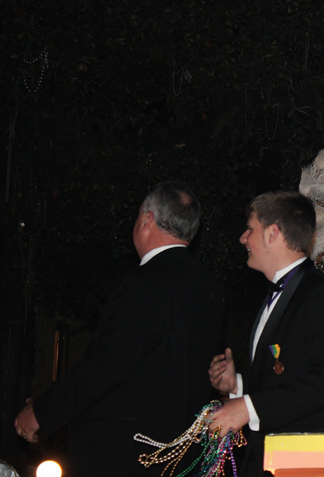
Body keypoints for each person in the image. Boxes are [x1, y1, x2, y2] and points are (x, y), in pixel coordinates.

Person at [14, 181, 224, 477]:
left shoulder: (144, 285)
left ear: (147, 219)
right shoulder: (208, 288)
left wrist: (42, 413)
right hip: (182, 456)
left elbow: (106, 366)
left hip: (127, 456)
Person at [207, 191, 324, 477]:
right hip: (277, 458)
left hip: (313, 460)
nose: (243, 238)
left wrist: (247, 407)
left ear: (272, 234)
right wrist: (238, 387)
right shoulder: (277, 296)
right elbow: (288, 375)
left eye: (250, 229)